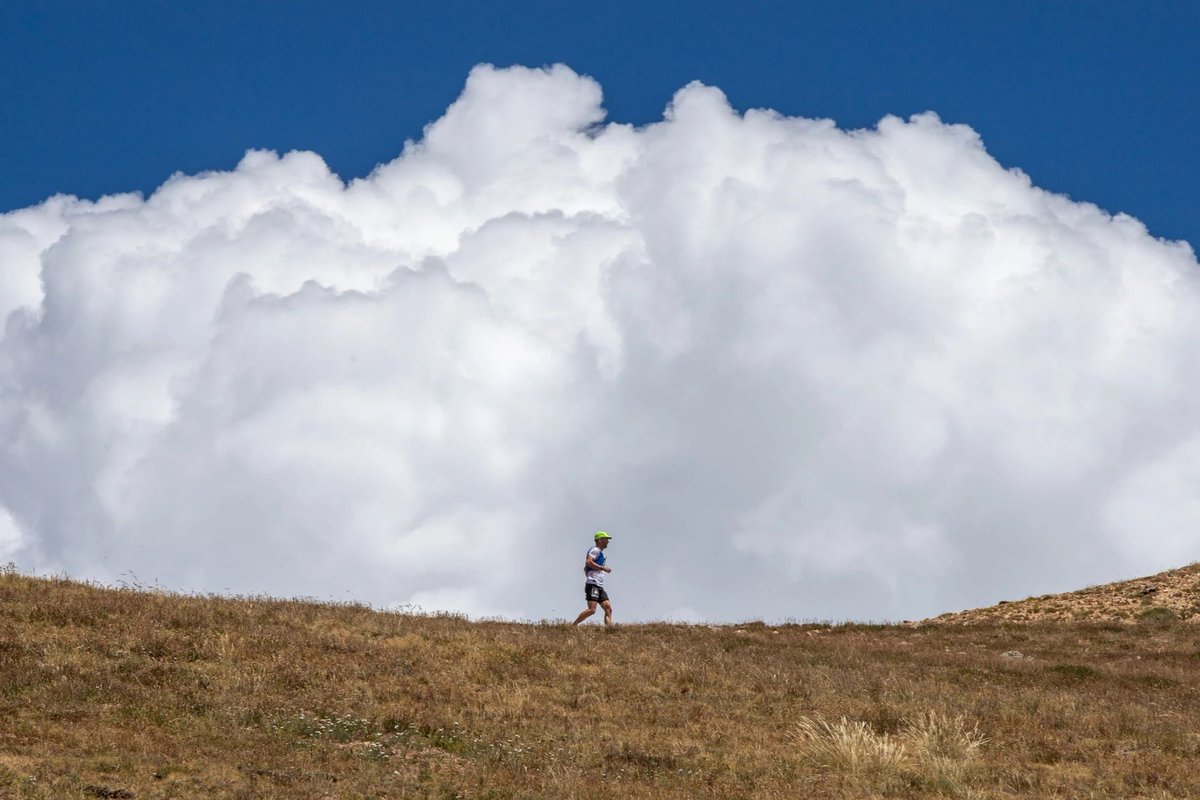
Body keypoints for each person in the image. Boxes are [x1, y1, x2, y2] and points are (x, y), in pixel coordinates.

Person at [573, 531, 613, 626]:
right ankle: (573, 625)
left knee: (608, 608)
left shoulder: (600, 553)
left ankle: (609, 630)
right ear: (599, 540)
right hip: (593, 584)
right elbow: (588, 562)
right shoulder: (595, 550)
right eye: (606, 539)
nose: (608, 541)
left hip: (599, 585)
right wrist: (603, 568)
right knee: (592, 610)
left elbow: (585, 568)